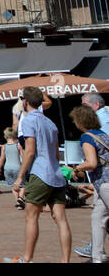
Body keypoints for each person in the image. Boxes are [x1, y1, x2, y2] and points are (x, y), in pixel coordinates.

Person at [8, 86, 71, 263]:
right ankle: (65, 260)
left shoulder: (28, 120)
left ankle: (27, 258)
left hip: (39, 173)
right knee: (61, 219)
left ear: (25, 101)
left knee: (31, 216)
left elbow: (29, 151)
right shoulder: (50, 123)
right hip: (56, 174)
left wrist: (20, 177)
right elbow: (57, 153)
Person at [69, 105, 109, 263]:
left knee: (99, 218)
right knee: (98, 217)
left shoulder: (87, 137)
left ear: (80, 121)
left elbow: (91, 163)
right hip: (102, 185)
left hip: (105, 182)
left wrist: (76, 168)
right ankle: (97, 256)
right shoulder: (104, 135)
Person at [1, 126, 22, 201]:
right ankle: (21, 197)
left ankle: (17, 201)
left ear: (5, 136)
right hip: (18, 168)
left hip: (7, 168)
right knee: (22, 185)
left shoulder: (4, 146)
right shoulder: (18, 146)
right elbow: (23, 157)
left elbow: (2, 158)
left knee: (13, 186)